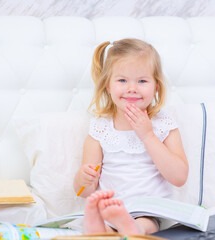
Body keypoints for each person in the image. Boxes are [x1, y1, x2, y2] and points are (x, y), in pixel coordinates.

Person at [73, 38, 188, 235]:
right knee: (103, 226)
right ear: (108, 86)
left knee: (147, 221)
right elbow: (85, 192)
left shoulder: (163, 125)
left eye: (142, 81)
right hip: (110, 208)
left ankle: (133, 229)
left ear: (156, 87)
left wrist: (148, 136)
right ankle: (106, 231)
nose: (132, 88)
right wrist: (83, 179)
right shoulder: (100, 129)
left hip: (150, 210)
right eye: (122, 80)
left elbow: (179, 177)